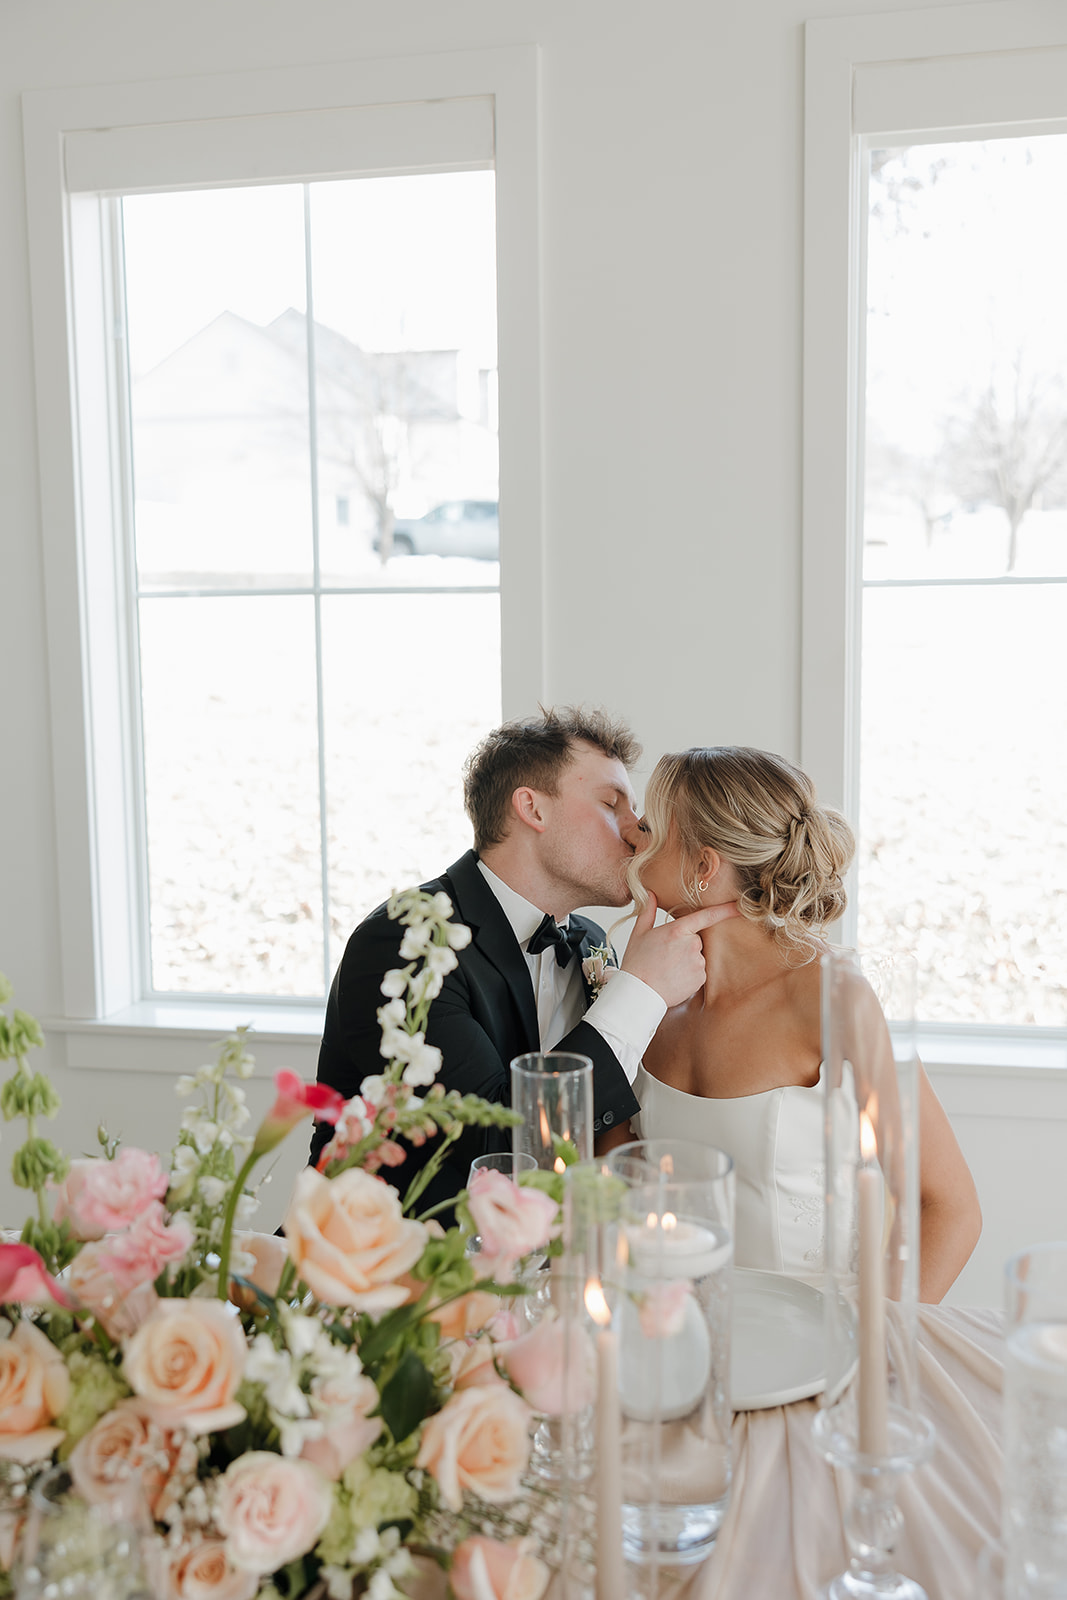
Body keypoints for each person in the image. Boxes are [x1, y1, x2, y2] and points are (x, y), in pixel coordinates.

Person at [312, 708, 734, 1214]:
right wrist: (638, 993)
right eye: (610, 803)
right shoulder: (404, 942)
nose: (637, 828)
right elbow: (492, 1147)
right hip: (390, 1270)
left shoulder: (590, 944)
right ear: (532, 809)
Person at [607, 745, 981, 1304]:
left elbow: (949, 1208)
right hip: (673, 1338)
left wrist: (872, 1355)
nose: (632, 833)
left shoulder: (833, 996)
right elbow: (615, 1184)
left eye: (651, 824)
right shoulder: (647, 996)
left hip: (821, 1348)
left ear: (703, 867)